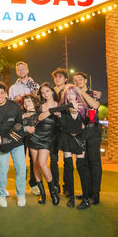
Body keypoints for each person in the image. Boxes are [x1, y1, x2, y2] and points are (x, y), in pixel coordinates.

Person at [0, 82, 26, 208]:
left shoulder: (14, 106)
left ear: (6, 94)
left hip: (17, 141)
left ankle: (21, 194)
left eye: (2, 93)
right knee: (2, 169)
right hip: (0, 142)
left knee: (21, 168)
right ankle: (1, 194)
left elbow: (21, 122)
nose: (0, 96)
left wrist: (13, 134)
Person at [8, 61, 40, 196]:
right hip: (20, 125)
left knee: (34, 158)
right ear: (16, 72)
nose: (21, 71)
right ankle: (21, 184)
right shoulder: (13, 88)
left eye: (23, 69)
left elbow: (39, 102)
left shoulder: (35, 85)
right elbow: (9, 106)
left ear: (27, 69)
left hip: (34, 125)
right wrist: (15, 100)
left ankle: (34, 184)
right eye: (18, 70)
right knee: (20, 156)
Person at [57, 85, 90, 209]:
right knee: (69, 169)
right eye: (68, 94)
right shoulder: (63, 109)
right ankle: (71, 197)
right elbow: (64, 126)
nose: (70, 96)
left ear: (77, 95)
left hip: (79, 139)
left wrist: (80, 117)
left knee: (81, 168)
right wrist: (61, 116)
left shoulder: (83, 108)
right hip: (67, 139)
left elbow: (85, 125)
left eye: (72, 93)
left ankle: (86, 199)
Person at [73, 71, 102, 204]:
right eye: (75, 80)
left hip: (93, 131)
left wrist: (81, 92)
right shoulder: (74, 97)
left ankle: (96, 194)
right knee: (83, 163)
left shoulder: (92, 94)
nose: (78, 81)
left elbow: (95, 105)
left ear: (85, 81)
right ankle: (87, 192)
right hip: (80, 133)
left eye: (80, 79)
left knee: (94, 162)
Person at [29, 82, 60, 206]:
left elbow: (63, 122)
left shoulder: (59, 105)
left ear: (52, 91)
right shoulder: (40, 106)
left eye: (47, 91)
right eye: (42, 92)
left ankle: (53, 192)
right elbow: (39, 118)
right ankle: (42, 193)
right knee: (36, 165)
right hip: (35, 137)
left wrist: (60, 114)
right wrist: (52, 111)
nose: (45, 94)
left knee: (42, 163)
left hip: (47, 139)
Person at [51, 67, 70, 195]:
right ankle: (55, 186)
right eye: (56, 77)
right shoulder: (51, 91)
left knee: (67, 158)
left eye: (60, 77)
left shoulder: (70, 90)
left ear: (65, 79)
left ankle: (67, 187)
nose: (58, 79)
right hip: (53, 128)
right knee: (53, 159)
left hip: (65, 127)